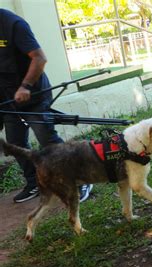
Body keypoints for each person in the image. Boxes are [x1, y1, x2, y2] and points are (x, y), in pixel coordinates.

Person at [0, 9, 93, 203]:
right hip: (8, 98)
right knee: (14, 142)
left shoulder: (13, 24)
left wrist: (25, 86)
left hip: (32, 93)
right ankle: (35, 183)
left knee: (46, 139)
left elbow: (39, 57)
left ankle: (80, 179)